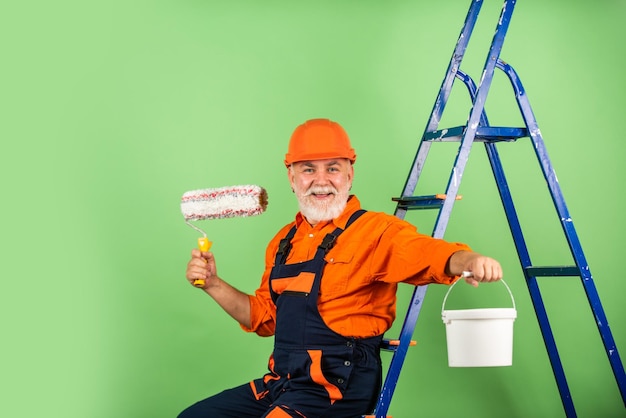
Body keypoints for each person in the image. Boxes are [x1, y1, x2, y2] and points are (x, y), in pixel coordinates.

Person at [179, 118, 503, 418]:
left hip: (336, 387)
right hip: (284, 382)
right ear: (292, 178)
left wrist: (469, 262)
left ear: (349, 174)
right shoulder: (282, 243)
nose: (321, 181)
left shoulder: (375, 232)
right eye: (308, 170)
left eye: (332, 168)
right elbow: (263, 319)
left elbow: (430, 254)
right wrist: (212, 283)